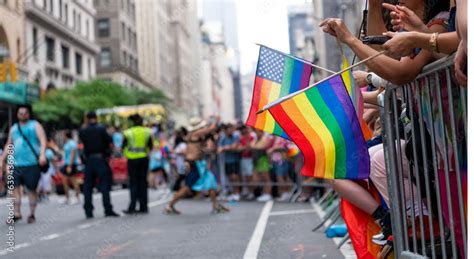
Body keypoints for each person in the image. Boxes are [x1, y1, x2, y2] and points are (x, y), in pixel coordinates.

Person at [165, 117, 228, 214]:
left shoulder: (197, 135)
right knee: (187, 187)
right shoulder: (195, 134)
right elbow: (211, 128)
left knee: (210, 182)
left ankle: (215, 206)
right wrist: (215, 121)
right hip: (193, 164)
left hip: (199, 164)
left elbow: (202, 148)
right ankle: (170, 205)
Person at [0, 105, 47, 224]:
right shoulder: (14, 128)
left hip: (32, 164)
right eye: (20, 113)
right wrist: (2, 158)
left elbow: (42, 140)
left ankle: (32, 214)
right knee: (14, 188)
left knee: (31, 189)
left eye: (25, 113)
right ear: (17, 115)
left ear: (28, 114)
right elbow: (9, 144)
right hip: (16, 163)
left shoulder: (35, 125)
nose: (22, 115)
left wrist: (42, 155)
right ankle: (17, 213)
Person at [79, 112, 119, 219]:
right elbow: (110, 144)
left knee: (88, 187)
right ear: (96, 118)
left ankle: (88, 211)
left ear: (87, 119)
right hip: (101, 159)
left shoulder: (83, 130)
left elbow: (81, 145)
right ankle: (108, 209)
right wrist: (109, 153)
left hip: (89, 160)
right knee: (104, 185)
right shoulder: (102, 129)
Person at [122, 114, 153, 214]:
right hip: (144, 159)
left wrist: (127, 153)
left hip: (132, 160)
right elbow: (150, 146)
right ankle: (144, 207)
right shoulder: (147, 131)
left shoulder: (128, 132)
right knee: (143, 182)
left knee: (133, 183)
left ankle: (132, 206)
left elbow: (123, 146)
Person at [218, 124, 241, 201]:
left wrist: (225, 148)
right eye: (229, 129)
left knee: (235, 177)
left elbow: (234, 146)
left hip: (234, 160)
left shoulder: (235, 137)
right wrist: (226, 148)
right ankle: (233, 193)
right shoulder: (223, 138)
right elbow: (219, 148)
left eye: (232, 129)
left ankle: (237, 193)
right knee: (230, 177)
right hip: (227, 160)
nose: (231, 131)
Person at [251, 130, 273, 202]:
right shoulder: (257, 139)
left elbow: (261, 147)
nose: (256, 133)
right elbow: (252, 146)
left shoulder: (265, 138)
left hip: (264, 160)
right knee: (262, 178)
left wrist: (256, 146)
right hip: (258, 160)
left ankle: (268, 194)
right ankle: (264, 193)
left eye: (258, 132)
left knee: (266, 178)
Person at [61, 131, 81, 205]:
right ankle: (67, 198)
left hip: (71, 164)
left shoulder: (72, 144)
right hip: (66, 163)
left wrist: (70, 165)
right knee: (64, 181)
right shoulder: (66, 144)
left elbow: (73, 155)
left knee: (73, 181)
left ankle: (77, 197)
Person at [238, 126, 255, 200]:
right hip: (243, 159)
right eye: (243, 131)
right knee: (245, 176)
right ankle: (247, 191)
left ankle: (251, 192)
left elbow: (250, 147)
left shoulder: (252, 137)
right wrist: (245, 148)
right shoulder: (241, 138)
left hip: (250, 159)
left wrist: (245, 147)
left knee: (250, 176)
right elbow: (240, 148)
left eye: (246, 131)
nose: (244, 132)